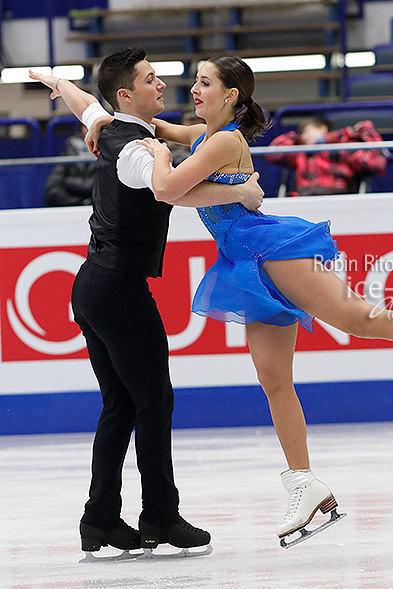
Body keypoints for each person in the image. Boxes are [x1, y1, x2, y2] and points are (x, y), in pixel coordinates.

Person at [129, 56, 393, 546]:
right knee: (274, 381)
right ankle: (304, 483)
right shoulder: (207, 135)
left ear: (230, 95)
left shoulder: (225, 140)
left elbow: (167, 188)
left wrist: (153, 151)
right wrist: (113, 117)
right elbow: (164, 128)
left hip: (268, 249)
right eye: (196, 82)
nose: (195, 90)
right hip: (246, 263)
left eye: (205, 83)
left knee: (358, 316)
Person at [29, 47, 263, 558]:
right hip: (118, 289)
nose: (162, 85)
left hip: (92, 284)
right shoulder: (136, 148)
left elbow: (84, 105)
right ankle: (159, 514)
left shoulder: (114, 125)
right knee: (154, 400)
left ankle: (100, 520)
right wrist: (236, 192)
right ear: (127, 93)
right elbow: (166, 190)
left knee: (120, 403)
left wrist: (54, 81)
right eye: (151, 79)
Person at [266, 116, 386, 196]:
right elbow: (273, 154)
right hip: (304, 200)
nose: (303, 136)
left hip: (337, 200)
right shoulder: (300, 153)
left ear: (323, 129)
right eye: (301, 134)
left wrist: (366, 131)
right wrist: (295, 137)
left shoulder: (341, 147)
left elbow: (374, 163)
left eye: (307, 131)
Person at [44, 124, 96, 206]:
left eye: (93, 126)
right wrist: (76, 202)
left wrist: (69, 183)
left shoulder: (109, 152)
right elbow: (52, 190)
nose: (89, 130)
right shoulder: (68, 151)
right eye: (86, 126)